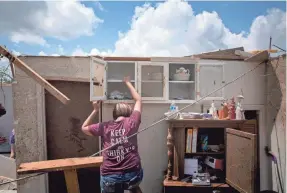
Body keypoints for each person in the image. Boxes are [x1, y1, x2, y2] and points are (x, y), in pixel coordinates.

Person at [82, 76, 143, 193]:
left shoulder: (105, 126)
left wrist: (95, 110)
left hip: (110, 176)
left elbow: (84, 128)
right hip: (132, 174)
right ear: (128, 113)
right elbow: (138, 100)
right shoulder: (132, 122)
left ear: (115, 114)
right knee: (134, 186)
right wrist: (127, 82)